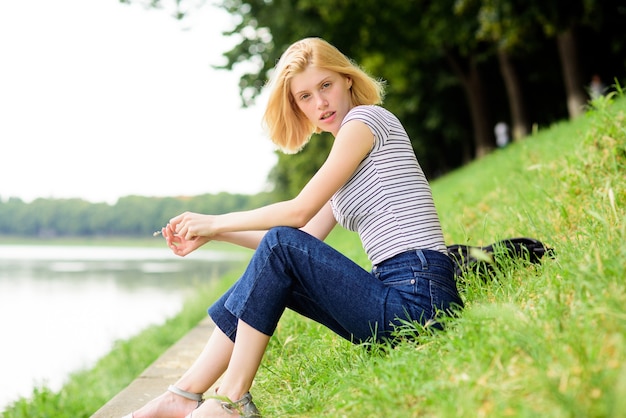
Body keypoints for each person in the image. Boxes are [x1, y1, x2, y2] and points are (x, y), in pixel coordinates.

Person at [123, 37, 464, 418]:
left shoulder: (366, 122)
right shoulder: (347, 155)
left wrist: (216, 220)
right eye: (305, 96)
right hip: (396, 302)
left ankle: (230, 398)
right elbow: (300, 241)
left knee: (281, 244)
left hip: (420, 302)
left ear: (347, 79)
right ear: (296, 105)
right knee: (279, 253)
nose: (320, 103)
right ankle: (183, 394)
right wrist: (213, 233)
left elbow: (297, 214)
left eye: (325, 86)